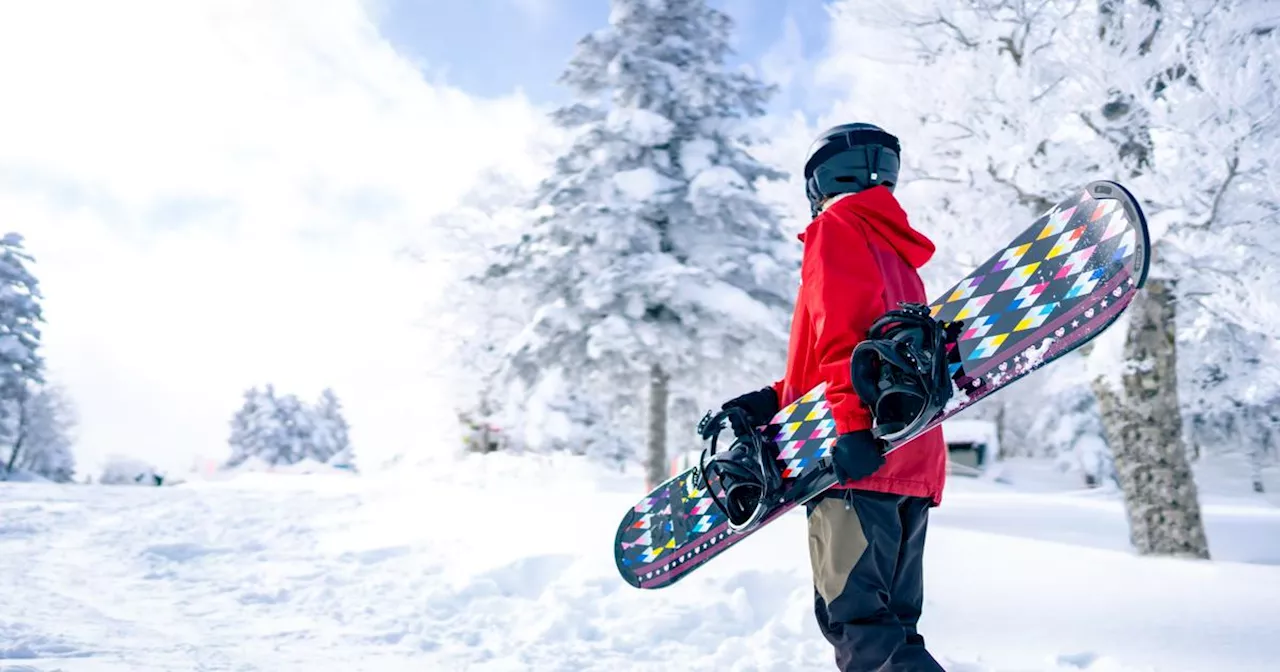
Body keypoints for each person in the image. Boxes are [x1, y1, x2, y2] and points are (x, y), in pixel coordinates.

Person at [715, 123, 947, 672]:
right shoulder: (898, 254)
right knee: (893, 629)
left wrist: (848, 430)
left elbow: (844, 339)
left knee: (860, 628)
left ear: (818, 183)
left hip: (854, 460)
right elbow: (869, 350)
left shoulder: (834, 229)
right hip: (911, 457)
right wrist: (772, 400)